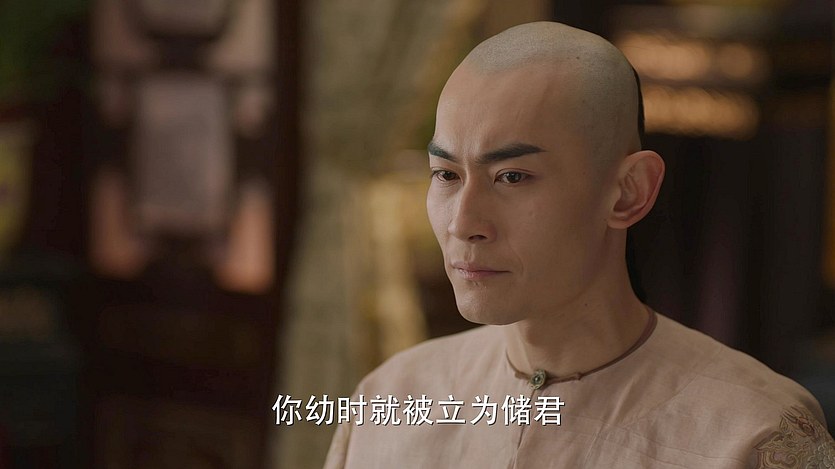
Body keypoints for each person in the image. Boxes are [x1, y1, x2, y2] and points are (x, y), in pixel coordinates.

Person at [323, 21, 835, 468]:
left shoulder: (751, 434)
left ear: (628, 192)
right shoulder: (391, 399)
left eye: (513, 176)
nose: (463, 223)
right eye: (446, 174)